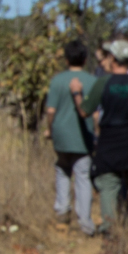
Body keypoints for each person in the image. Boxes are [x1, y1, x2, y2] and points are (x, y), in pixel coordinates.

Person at [70, 39, 128, 234]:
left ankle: (109, 230)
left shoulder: (103, 83)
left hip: (109, 142)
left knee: (108, 184)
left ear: (113, 59)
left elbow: (84, 111)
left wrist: (77, 94)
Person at [43, 40, 97, 235]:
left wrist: (50, 129)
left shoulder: (57, 80)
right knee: (83, 176)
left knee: (62, 169)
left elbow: (50, 111)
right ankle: (84, 222)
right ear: (85, 59)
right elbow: (96, 113)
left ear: (66, 59)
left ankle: (62, 212)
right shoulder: (91, 81)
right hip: (84, 136)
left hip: (61, 135)